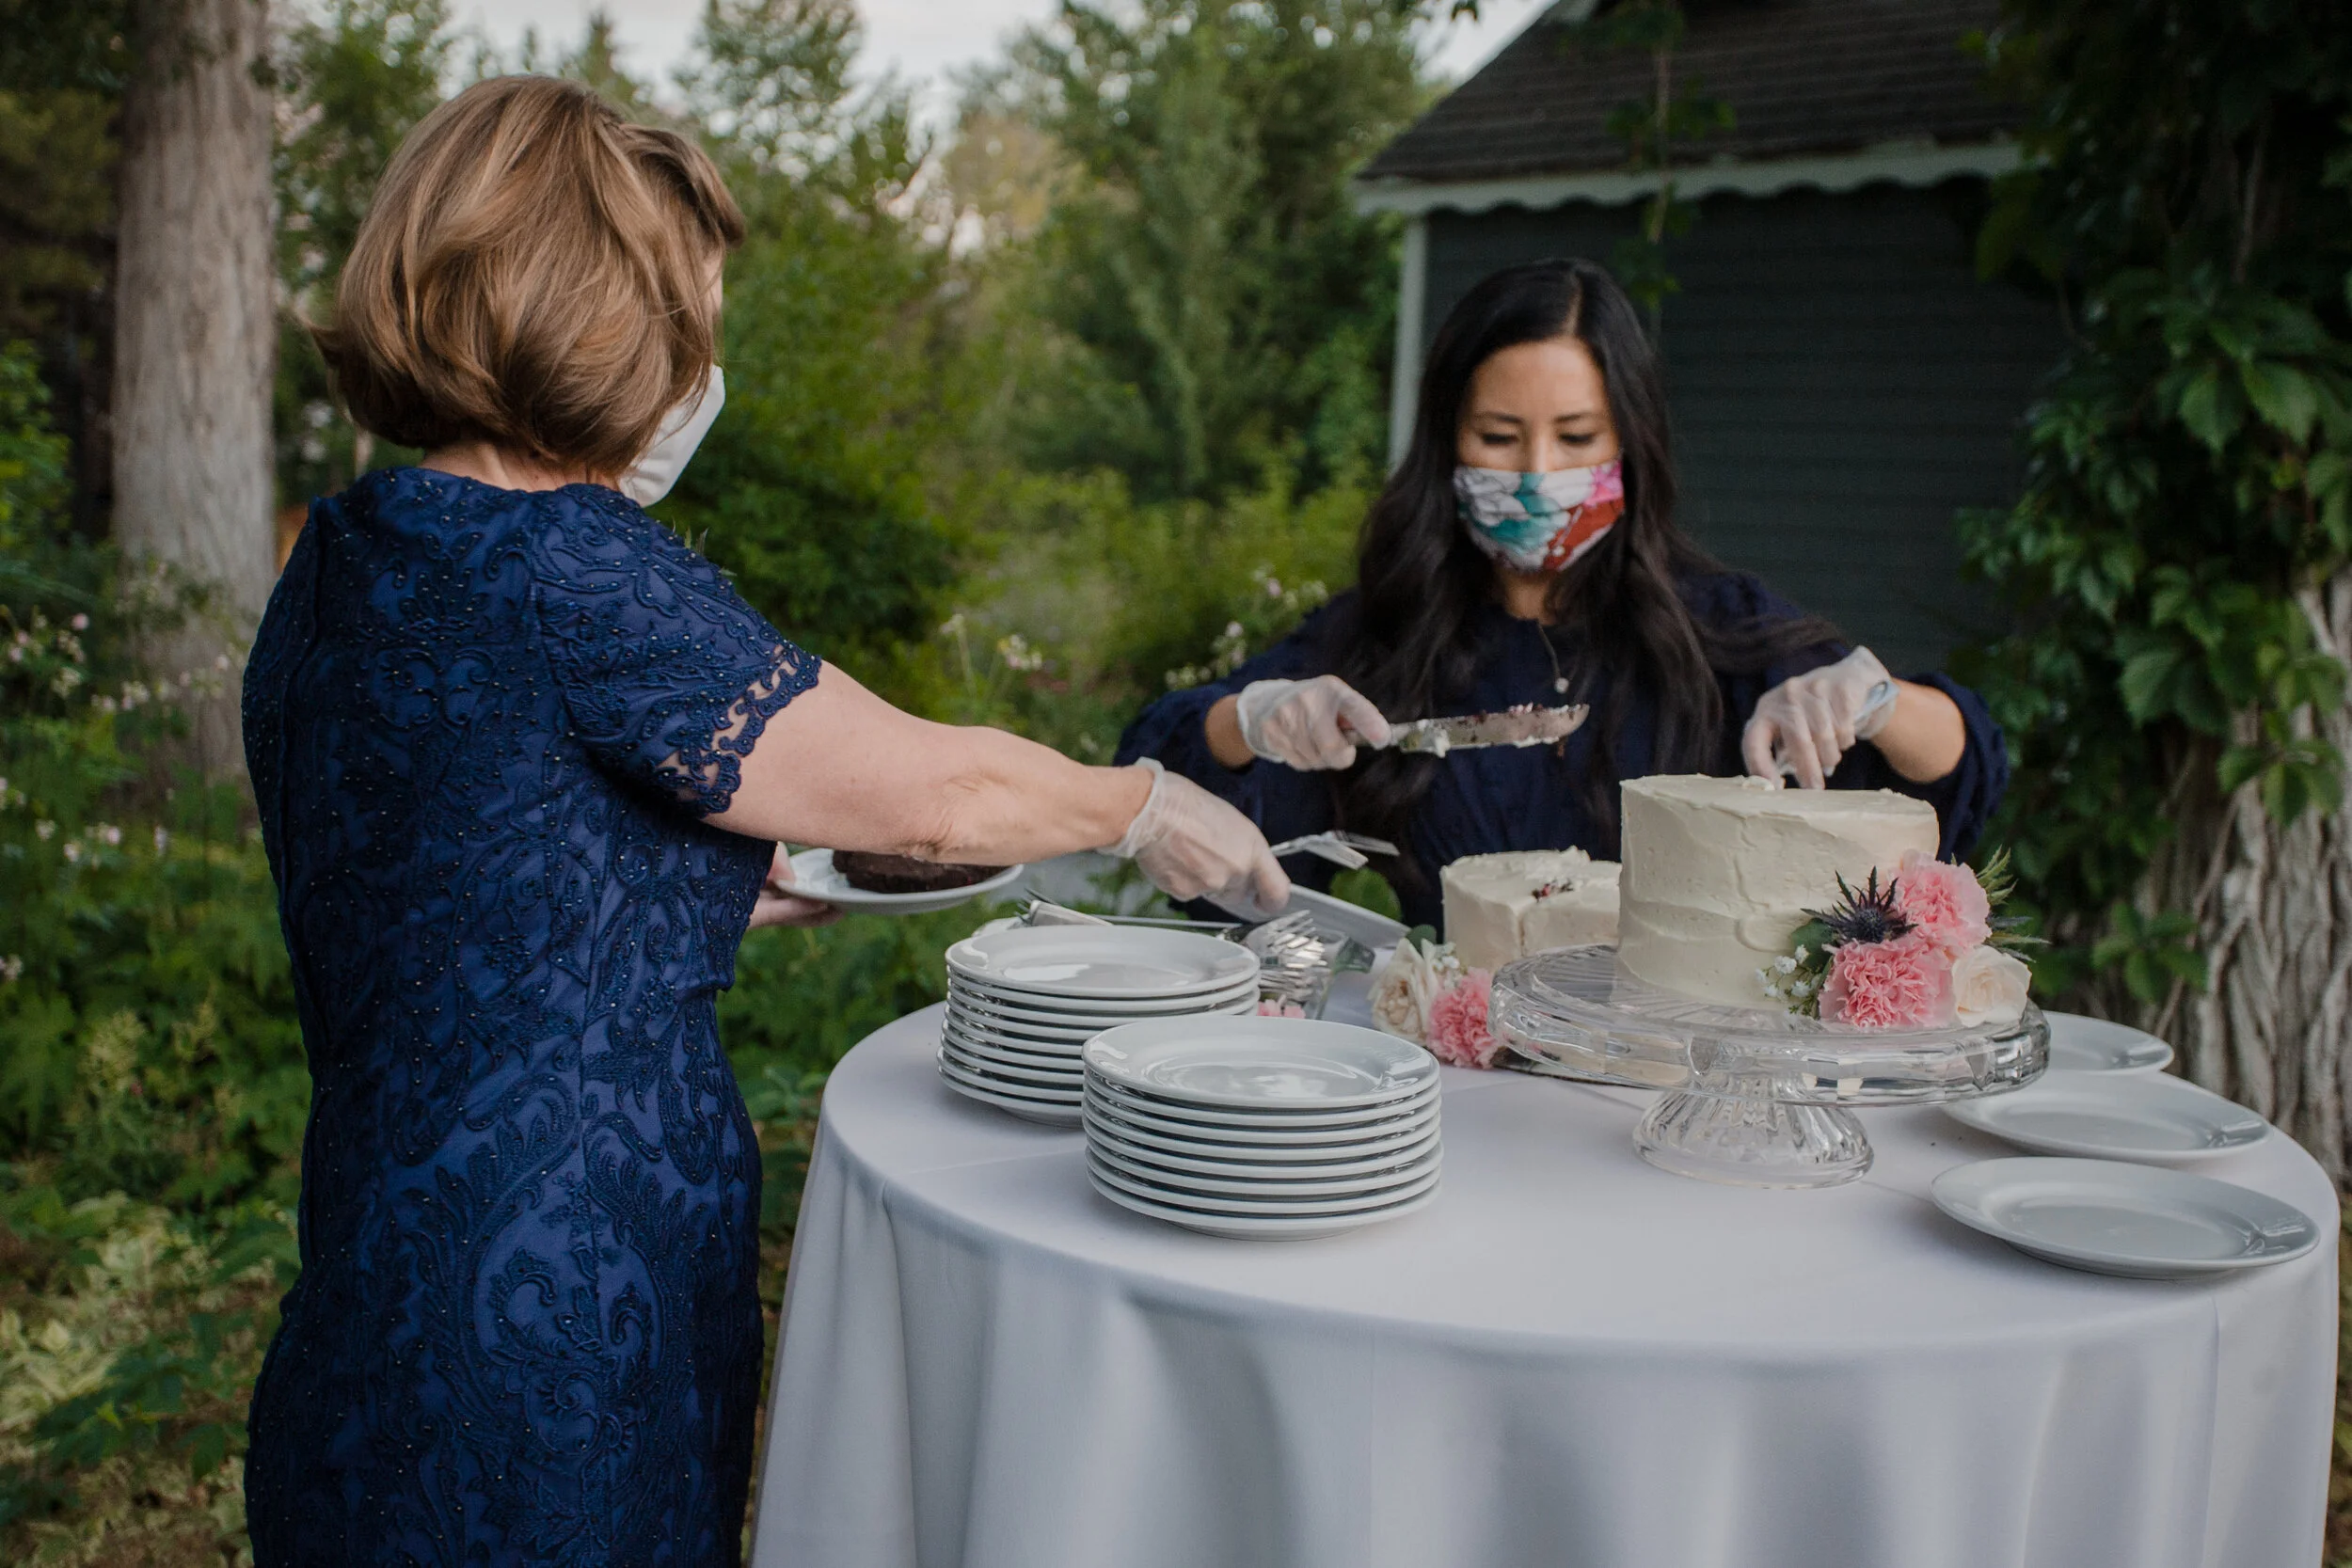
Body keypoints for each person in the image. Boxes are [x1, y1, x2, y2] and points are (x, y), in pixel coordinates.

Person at [239, 75, 1286, 1568]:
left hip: (373, 1275)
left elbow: (448, 860)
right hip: (553, 1326)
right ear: (600, 317)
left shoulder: (347, 554)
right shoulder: (571, 562)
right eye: (693, 320)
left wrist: (683, 883)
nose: (700, 367)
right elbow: (940, 790)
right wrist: (1141, 801)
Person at [1117, 258, 2007, 930]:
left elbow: (1960, 783)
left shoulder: (1717, 628)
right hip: (1449, 1075)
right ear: (1447, 442)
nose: (1539, 474)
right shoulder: (1382, 636)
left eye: (1577, 438)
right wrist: (1250, 721)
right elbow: (1177, 810)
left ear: (1630, 444)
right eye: (1500, 436)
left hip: (1674, 1081)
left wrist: (1876, 700)